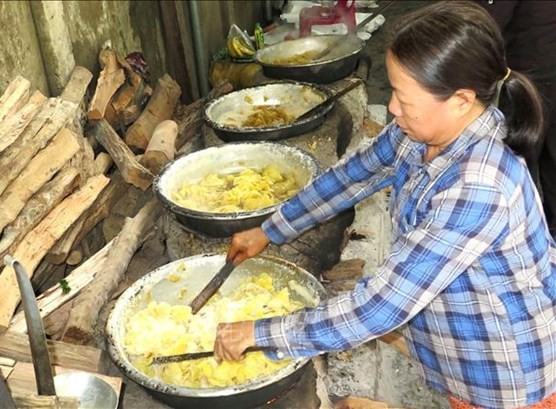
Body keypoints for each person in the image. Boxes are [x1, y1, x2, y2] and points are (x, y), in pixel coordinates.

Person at [212, 2, 556, 409]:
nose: (392, 107)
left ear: (461, 99)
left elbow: (380, 308)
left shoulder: (479, 186)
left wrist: (260, 333)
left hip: (502, 373)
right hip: (458, 342)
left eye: (404, 98)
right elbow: (353, 175)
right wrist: (269, 229)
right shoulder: (423, 134)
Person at [475, 0, 556, 239]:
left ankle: (524, 239)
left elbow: (486, 25)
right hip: (544, 62)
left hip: (532, 76)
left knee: (518, 161)